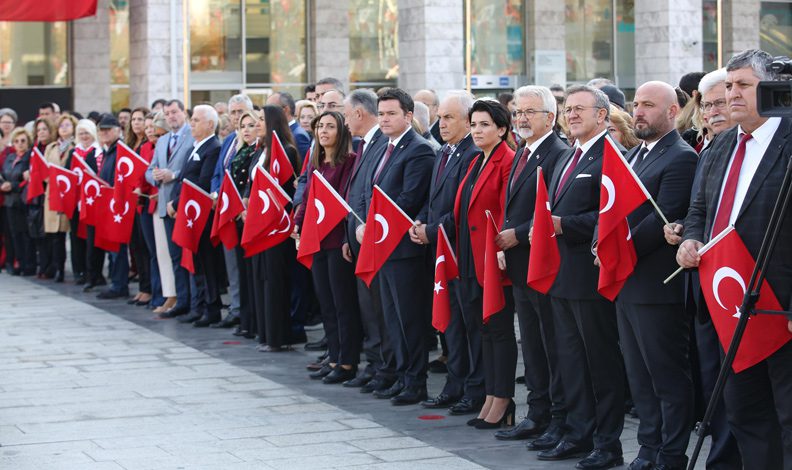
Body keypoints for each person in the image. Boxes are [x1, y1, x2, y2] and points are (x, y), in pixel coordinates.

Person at [677, 49, 792, 470]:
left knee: (788, 415)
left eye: (744, 85)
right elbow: (699, 210)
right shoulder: (722, 143)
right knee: (744, 412)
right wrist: (691, 240)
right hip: (728, 306)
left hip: (780, 306)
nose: (732, 94)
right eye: (729, 85)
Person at [537, 85, 625, 469]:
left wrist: (565, 224)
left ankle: (608, 444)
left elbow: (612, 217)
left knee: (600, 364)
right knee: (571, 361)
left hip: (590, 277)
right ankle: (577, 433)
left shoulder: (613, 156)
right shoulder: (568, 156)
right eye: (567, 109)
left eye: (579, 109)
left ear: (602, 115)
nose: (570, 115)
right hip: (561, 275)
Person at [613, 81, 697, 470]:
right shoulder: (633, 154)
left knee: (666, 376)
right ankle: (648, 448)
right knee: (640, 378)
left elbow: (664, 215)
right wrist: (603, 244)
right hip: (628, 284)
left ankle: (671, 453)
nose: (638, 112)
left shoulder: (680, 157)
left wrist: (616, 248)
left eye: (648, 104)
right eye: (636, 104)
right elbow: (613, 210)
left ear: (673, 111)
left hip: (657, 287)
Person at [495, 86, 568, 441]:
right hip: (519, 264)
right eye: (517, 112)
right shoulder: (522, 151)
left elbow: (554, 209)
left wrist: (519, 234)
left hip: (544, 264)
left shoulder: (558, 154)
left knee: (551, 345)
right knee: (533, 347)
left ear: (550, 118)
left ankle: (557, 417)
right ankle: (537, 412)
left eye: (529, 112)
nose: (521, 119)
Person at [353, 88, 434, 405]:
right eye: (382, 114)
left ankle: (415, 382)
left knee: (408, 319)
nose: (384, 119)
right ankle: (400, 376)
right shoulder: (382, 147)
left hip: (404, 251)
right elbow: (367, 191)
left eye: (391, 114)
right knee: (390, 318)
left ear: (408, 116)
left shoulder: (419, 150)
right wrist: (363, 223)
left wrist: (373, 226)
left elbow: (407, 200)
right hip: (381, 246)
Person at [410, 90, 483, 415]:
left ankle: (474, 389)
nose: (441, 123)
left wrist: (431, 230)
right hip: (441, 252)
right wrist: (421, 222)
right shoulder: (444, 152)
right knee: (451, 325)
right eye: (440, 117)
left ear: (468, 121)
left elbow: (462, 210)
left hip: (461, 253)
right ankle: (455, 384)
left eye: (449, 117)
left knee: (469, 327)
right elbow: (433, 199)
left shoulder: (472, 154)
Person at [451, 99, 517, 429]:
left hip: (493, 259)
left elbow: (506, 209)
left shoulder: (508, 160)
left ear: (502, 129)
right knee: (483, 330)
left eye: (485, 125)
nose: (477, 131)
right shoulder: (476, 160)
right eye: (474, 125)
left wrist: (499, 249)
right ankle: (491, 395)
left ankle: (503, 398)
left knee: (499, 330)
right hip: (469, 258)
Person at [294, 110, 361, 383]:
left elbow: (347, 202)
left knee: (343, 303)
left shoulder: (350, 161)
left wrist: (346, 237)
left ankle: (347, 362)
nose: (323, 131)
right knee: (327, 303)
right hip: (316, 239)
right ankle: (333, 357)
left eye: (330, 126)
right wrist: (298, 223)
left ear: (341, 131)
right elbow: (308, 198)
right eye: (320, 126)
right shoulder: (316, 162)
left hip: (337, 242)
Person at [341, 89, 393, 391]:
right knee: (368, 308)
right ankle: (375, 364)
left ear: (359, 113)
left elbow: (373, 195)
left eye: (346, 115)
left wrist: (362, 225)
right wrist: (350, 234)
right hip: (360, 239)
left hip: (376, 240)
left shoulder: (382, 143)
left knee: (379, 311)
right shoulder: (365, 144)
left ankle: (382, 365)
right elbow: (357, 193)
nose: (346, 122)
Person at [245, 105, 301, 352]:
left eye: (261, 119)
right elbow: (253, 184)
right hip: (258, 225)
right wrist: (247, 200)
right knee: (260, 278)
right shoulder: (260, 150)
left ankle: (279, 337)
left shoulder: (286, 150)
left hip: (276, 226)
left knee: (275, 280)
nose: (257, 123)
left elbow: (287, 188)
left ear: (273, 122)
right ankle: (265, 333)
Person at [167, 105, 223, 327]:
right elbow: (184, 179)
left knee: (207, 264)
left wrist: (177, 203)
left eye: (196, 120)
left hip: (203, 217)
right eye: (192, 120)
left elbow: (202, 182)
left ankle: (212, 308)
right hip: (190, 213)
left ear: (210, 124)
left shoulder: (213, 147)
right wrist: (175, 202)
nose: (192, 123)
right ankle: (199, 306)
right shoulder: (195, 146)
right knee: (197, 263)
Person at [145, 99, 195, 317]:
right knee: (174, 256)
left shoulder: (192, 135)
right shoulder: (163, 140)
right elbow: (149, 170)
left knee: (189, 256)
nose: (171, 117)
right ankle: (181, 300)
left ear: (183, 113)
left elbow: (192, 168)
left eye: (174, 112)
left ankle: (194, 302)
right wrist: (155, 176)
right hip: (165, 205)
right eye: (167, 114)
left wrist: (173, 174)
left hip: (185, 204)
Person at [210, 94, 254, 329]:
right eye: (234, 112)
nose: (236, 117)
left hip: (245, 213)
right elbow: (219, 172)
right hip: (226, 210)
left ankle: (243, 311)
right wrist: (216, 193)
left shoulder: (256, 144)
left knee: (244, 266)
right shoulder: (228, 141)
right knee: (231, 264)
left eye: (241, 112)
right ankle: (236, 308)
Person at [229, 110, 260, 339]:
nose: (246, 130)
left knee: (251, 272)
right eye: (243, 126)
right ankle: (246, 320)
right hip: (237, 215)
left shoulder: (257, 152)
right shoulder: (240, 150)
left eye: (251, 125)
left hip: (250, 215)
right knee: (242, 270)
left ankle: (253, 322)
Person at [95, 114, 130, 300]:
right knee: (112, 247)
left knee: (117, 248)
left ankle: (119, 285)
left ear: (118, 130)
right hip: (109, 204)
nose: (104, 133)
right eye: (102, 130)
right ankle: (116, 283)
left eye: (108, 129)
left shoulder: (120, 150)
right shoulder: (108, 151)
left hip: (118, 205)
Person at [43, 114, 77, 282]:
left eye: (67, 125)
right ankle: (59, 269)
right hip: (53, 193)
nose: (64, 128)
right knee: (56, 236)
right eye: (62, 125)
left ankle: (76, 269)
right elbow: (44, 171)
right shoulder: (51, 147)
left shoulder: (75, 146)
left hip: (69, 194)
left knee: (70, 233)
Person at [70, 119, 105, 289]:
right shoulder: (74, 152)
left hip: (93, 202)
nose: (84, 136)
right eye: (81, 133)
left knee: (93, 240)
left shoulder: (98, 152)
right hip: (76, 202)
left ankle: (94, 274)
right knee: (77, 239)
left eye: (87, 133)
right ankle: (80, 272)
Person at [125, 107, 153, 307]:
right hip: (130, 201)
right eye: (133, 119)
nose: (136, 123)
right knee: (135, 246)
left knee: (144, 246)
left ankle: (148, 289)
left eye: (140, 119)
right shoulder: (129, 144)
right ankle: (143, 287)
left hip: (143, 199)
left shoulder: (148, 144)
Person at [1, 128, 34, 275]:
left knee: (26, 235)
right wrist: (3, 184)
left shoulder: (30, 158)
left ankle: (28, 265)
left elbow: (27, 179)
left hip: (23, 201)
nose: (19, 144)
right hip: (9, 201)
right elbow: (3, 174)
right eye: (16, 141)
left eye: (23, 141)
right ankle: (18, 263)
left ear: (28, 142)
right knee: (14, 235)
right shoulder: (10, 157)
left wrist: (12, 185)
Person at [30, 117, 55, 278]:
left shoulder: (53, 148)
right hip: (37, 196)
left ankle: (51, 267)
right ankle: (43, 266)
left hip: (50, 194)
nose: (41, 132)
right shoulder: (35, 150)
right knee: (38, 233)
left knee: (50, 234)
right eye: (38, 130)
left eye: (44, 129)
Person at [267, 92, 312, 159]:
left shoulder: (298, 135)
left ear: (285, 110)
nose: (267, 114)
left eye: (271, 109)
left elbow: (302, 164)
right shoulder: (279, 132)